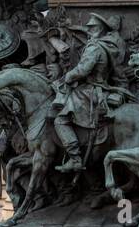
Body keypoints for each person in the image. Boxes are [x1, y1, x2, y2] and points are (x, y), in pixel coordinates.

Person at [51, 13, 127, 173]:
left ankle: (75, 158)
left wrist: (66, 78)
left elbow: (83, 70)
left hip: (89, 91)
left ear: (99, 29)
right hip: (101, 88)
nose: (88, 30)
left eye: (91, 28)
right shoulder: (108, 46)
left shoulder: (95, 47)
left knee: (60, 119)